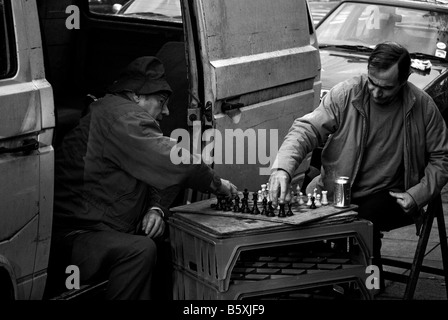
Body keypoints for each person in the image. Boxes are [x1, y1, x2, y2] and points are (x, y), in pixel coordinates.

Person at [49, 56, 237, 300]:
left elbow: (158, 170)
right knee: (140, 250)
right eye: (161, 102)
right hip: (75, 236)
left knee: (164, 241)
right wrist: (218, 185)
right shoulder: (124, 119)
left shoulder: (119, 113)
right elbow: (177, 163)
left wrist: (156, 208)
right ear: (136, 96)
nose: (167, 111)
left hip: (101, 227)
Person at [268, 41, 448, 289]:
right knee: (299, 221)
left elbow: (442, 158)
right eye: (372, 82)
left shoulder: (422, 106)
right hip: (338, 190)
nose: (375, 92)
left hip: (392, 195)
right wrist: (282, 169)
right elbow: (306, 129)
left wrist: (417, 195)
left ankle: (370, 285)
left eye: (386, 88)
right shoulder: (346, 93)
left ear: (405, 80)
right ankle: (331, 280)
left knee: (362, 222)